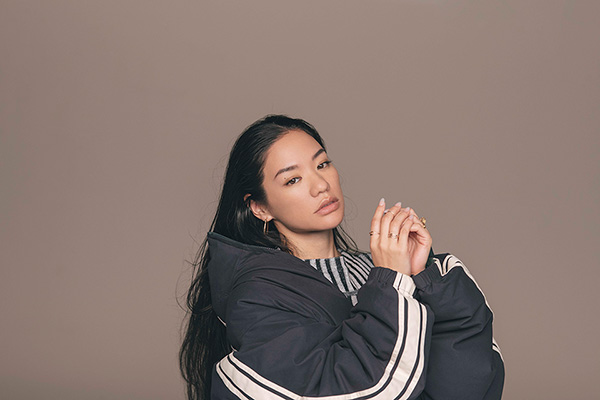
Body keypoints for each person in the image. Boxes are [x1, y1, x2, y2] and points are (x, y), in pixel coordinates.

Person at [179, 115, 505, 400]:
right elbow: (348, 390)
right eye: (293, 179)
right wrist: (392, 282)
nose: (321, 185)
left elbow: (467, 385)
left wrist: (423, 277)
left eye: (322, 164)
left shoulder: (380, 270)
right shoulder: (258, 297)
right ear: (260, 207)